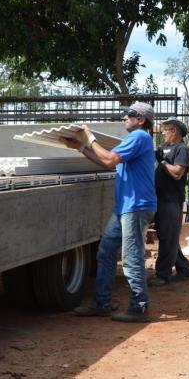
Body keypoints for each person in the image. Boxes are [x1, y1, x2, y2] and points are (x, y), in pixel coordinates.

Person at [62, 102, 157, 323]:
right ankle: (101, 302)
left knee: (131, 258)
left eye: (129, 114)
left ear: (141, 120)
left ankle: (139, 308)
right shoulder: (134, 140)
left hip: (135, 207)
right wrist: (81, 147)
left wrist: (90, 137)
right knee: (105, 252)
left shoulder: (140, 137)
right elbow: (107, 163)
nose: (124, 117)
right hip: (125, 207)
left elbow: (108, 158)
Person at [149, 117, 189, 287]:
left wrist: (161, 162)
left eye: (165, 130)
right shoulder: (162, 148)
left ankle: (162, 275)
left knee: (168, 238)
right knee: (168, 237)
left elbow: (177, 173)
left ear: (174, 131)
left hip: (171, 200)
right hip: (158, 198)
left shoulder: (182, 150)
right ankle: (184, 270)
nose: (163, 133)